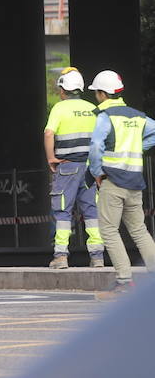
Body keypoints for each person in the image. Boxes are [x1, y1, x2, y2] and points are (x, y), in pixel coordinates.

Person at [86, 69, 155, 293]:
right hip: (134, 182)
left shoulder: (105, 116)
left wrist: (97, 172)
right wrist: (138, 148)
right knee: (139, 231)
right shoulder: (138, 116)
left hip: (113, 181)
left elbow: (96, 146)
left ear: (102, 94)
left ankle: (124, 281)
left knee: (109, 231)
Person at [44, 67, 103, 269]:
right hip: (89, 169)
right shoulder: (93, 109)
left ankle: (61, 256)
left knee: (62, 211)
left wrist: (51, 158)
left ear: (63, 90)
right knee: (92, 210)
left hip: (67, 167)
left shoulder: (59, 108)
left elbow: (49, 133)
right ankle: (97, 256)